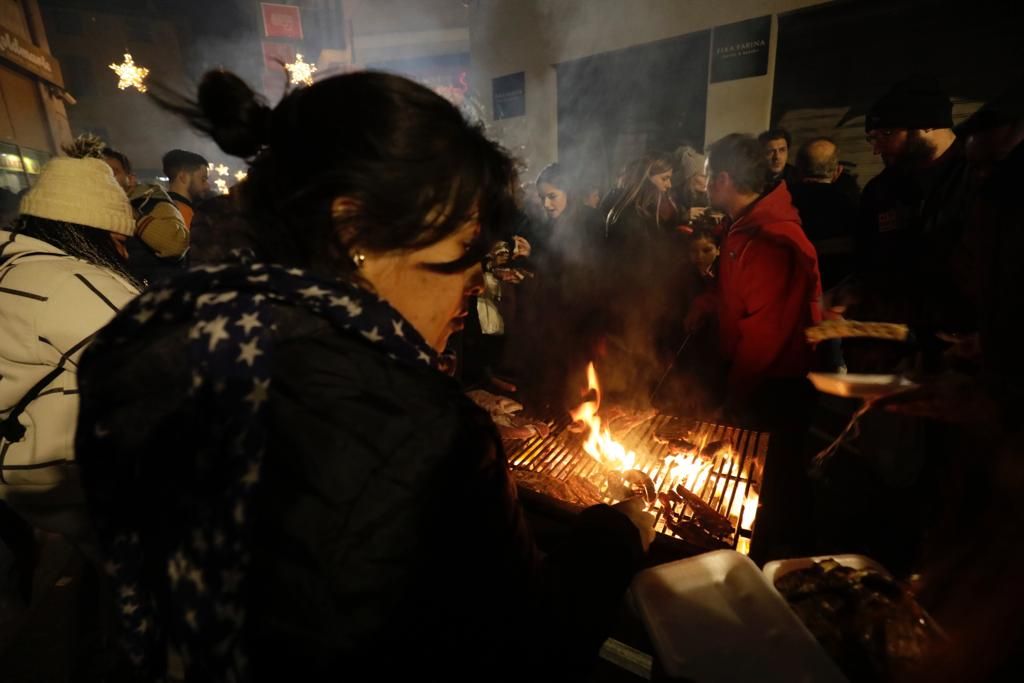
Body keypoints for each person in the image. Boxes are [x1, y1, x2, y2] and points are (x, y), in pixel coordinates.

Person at [74, 70, 653, 681]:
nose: (475, 281)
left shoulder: (160, 333)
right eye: (461, 246)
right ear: (355, 230)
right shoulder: (415, 431)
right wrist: (617, 533)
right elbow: (533, 644)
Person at [0, 143, 139, 546]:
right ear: (86, 231)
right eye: (117, 238)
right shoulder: (72, 285)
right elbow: (155, 369)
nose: (123, 251)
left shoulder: (15, 262)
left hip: (20, 477)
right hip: (69, 488)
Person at [844, 76, 974, 372]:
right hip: (888, 348)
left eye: (886, 134)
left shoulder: (976, 178)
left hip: (958, 349)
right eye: (872, 137)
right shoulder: (881, 190)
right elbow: (866, 262)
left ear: (928, 125)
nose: (876, 149)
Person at [690, 133, 822, 413]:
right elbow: (733, 287)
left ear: (723, 179)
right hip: (751, 375)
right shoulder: (740, 226)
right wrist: (704, 305)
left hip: (771, 386)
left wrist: (735, 397)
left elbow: (766, 336)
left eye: (707, 175)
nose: (704, 186)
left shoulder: (771, 240)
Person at [101, 141, 190, 284]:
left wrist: (133, 215)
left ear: (130, 179)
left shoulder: (153, 203)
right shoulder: (88, 212)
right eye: (99, 173)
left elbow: (176, 244)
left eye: (113, 172)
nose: (105, 178)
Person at [789, 137, 859, 290]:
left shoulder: (779, 203)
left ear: (796, 170)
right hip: (832, 296)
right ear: (837, 171)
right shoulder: (851, 207)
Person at [161, 149, 210, 229]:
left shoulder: (163, 208)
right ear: (183, 177)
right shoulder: (182, 214)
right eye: (203, 179)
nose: (207, 186)